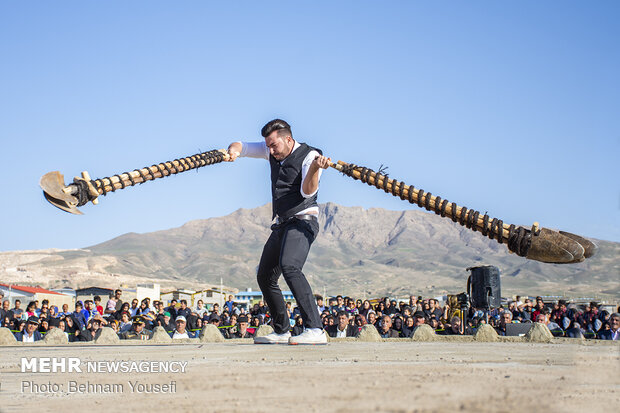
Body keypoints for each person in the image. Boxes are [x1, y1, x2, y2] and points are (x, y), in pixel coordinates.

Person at [226, 119, 330, 345]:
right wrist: (233, 151)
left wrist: (315, 168)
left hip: (303, 221)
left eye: (274, 146)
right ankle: (282, 330)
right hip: (282, 223)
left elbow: (306, 191)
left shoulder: (311, 156)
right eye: (268, 146)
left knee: (290, 266)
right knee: (265, 276)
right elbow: (243, 146)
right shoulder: (272, 150)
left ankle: (315, 329)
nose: (271, 151)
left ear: (288, 139)